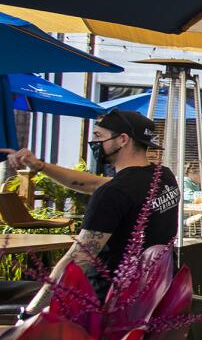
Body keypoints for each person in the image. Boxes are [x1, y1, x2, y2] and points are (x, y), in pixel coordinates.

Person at [3, 111, 180, 295]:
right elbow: (93, 183)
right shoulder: (163, 177)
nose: (94, 143)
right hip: (153, 293)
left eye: (98, 136)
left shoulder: (114, 192)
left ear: (123, 139)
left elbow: (78, 259)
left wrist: (33, 312)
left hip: (105, 302)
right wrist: (40, 166)